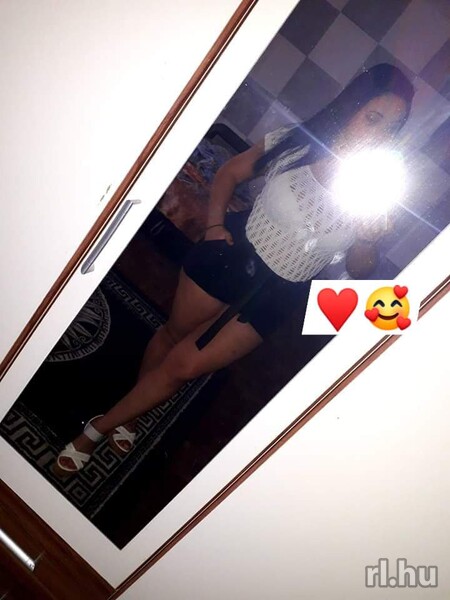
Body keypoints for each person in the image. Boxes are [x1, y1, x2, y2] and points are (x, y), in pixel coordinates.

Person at [54, 63, 414, 476]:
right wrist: (213, 225)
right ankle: (131, 415)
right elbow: (229, 172)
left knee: (185, 365)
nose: (380, 133)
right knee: (172, 336)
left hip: (279, 292)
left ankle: (97, 428)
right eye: (373, 117)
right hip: (232, 255)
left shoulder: (378, 193)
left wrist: (368, 240)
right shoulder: (296, 143)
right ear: (350, 107)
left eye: (393, 127)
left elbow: (359, 270)